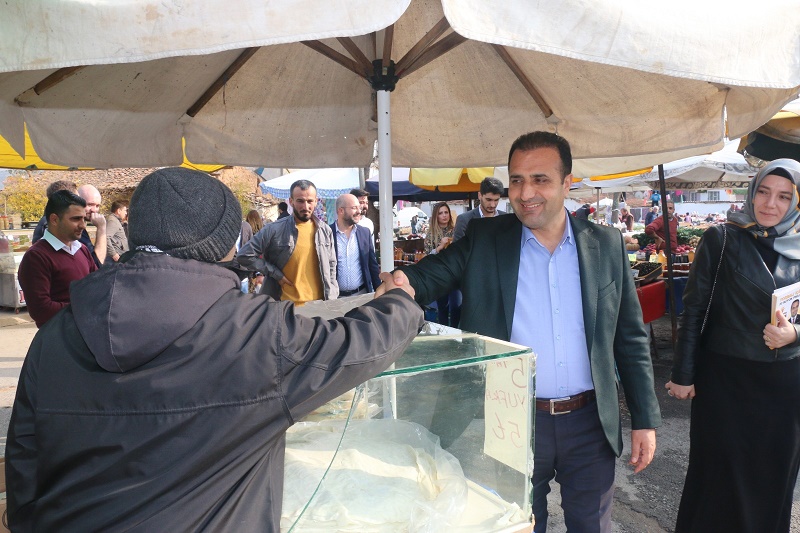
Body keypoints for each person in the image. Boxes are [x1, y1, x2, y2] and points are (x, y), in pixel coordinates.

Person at [6, 167, 423, 532]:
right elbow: (356, 345)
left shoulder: (55, 335)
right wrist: (400, 303)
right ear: (222, 245)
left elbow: (25, 455)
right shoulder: (257, 331)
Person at [380, 131, 661, 532]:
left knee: (591, 526)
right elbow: (430, 276)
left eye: (540, 179)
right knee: (519, 524)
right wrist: (403, 282)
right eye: (516, 180)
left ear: (567, 183)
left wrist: (645, 419)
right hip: (511, 421)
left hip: (590, 422)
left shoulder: (605, 243)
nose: (526, 193)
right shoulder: (485, 240)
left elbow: (630, 337)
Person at [666, 159, 800, 533]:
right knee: (717, 477)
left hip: (785, 387)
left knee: (772, 478)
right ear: (751, 192)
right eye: (764, 191)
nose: (770, 203)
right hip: (726, 381)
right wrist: (683, 374)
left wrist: (794, 335)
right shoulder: (723, 238)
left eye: (783, 196)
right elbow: (694, 309)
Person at [237, 180, 338, 304]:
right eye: (300, 201)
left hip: (320, 307)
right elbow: (244, 255)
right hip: (286, 308)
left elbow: (331, 265)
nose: (305, 207)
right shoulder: (274, 229)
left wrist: (333, 293)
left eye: (310, 201)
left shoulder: (325, 231)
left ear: (316, 201)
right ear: (291, 201)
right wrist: (275, 273)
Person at [17, 191, 98, 327]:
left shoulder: (82, 249)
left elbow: (97, 285)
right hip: (60, 337)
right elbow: (40, 310)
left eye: (84, 219)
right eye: (76, 219)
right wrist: (85, 307)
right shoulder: (36, 257)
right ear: (54, 219)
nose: (83, 225)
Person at [330, 194, 381, 296]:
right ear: (341, 211)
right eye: (354, 208)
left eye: (359, 207)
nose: (359, 211)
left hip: (361, 294)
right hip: (336, 298)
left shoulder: (364, 233)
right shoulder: (327, 233)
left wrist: (379, 292)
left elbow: (372, 266)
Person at [423, 202, 459, 327]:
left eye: (446, 212)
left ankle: (456, 333)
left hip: (455, 275)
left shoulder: (456, 231)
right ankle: (445, 335)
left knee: (456, 307)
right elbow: (427, 258)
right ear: (436, 216)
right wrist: (440, 247)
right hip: (439, 277)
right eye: (440, 213)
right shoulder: (431, 235)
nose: (444, 215)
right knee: (442, 308)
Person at [453, 176, 506, 241]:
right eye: (488, 200)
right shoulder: (464, 220)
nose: (492, 205)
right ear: (479, 195)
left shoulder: (506, 219)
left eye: (496, 200)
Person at [75, 184, 107, 266]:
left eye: (97, 206)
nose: (94, 210)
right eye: (89, 205)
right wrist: (101, 228)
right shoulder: (73, 228)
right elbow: (97, 263)